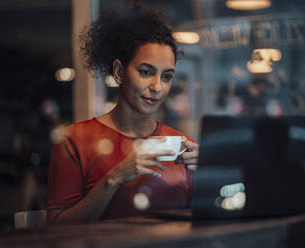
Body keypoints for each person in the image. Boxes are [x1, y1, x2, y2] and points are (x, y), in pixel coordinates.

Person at [46, 4, 199, 225]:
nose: (157, 87)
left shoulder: (183, 146)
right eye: (146, 72)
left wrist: (209, 176)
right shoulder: (75, 140)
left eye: (166, 76)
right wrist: (113, 178)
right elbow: (56, 228)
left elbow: (208, 222)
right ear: (119, 72)